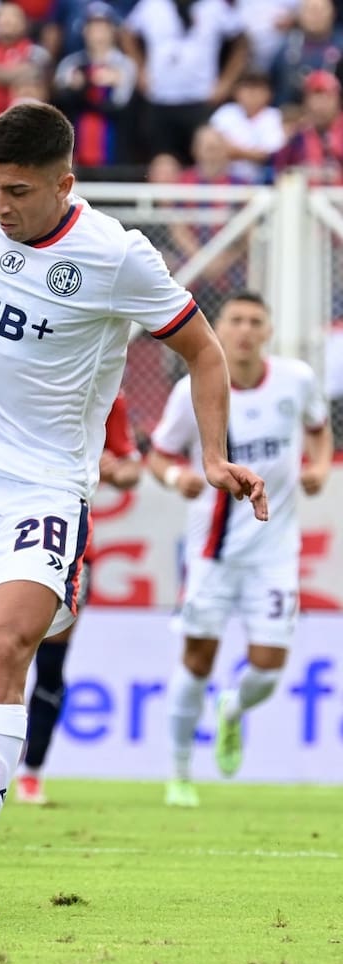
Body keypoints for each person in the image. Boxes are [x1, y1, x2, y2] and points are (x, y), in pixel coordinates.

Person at [0, 25, 267, 918]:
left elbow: (204, 350)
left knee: (3, 647)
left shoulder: (114, 255)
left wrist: (215, 452)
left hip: (41, 491)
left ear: (66, 183)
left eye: (17, 190)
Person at [148, 291, 332, 808]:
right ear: (220, 329)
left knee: (270, 668)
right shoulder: (194, 391)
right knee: (197, 657)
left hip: (274, 551)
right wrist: (178, 477)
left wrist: (318, 468)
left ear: (268, 332)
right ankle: (179, 773)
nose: (246, 330)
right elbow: (159, 456)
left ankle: (232, 708)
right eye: (236, 321)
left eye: (256, 321)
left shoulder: (296, 381)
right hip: (214, 553)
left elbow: (319, 433)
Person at [16, 392, 141, 805]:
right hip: (1, 531)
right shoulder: (16, 370)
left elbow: (130, 467)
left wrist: (118, 471)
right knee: (0, 659)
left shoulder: (107, 393)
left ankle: (31, 772)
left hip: (69, 543)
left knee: (49, 665)